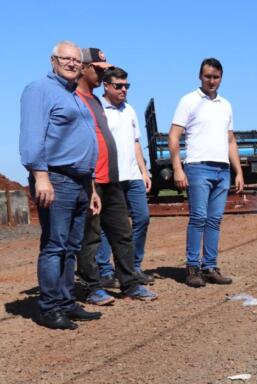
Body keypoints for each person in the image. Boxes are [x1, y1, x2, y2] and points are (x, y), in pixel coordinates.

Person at [19, 41, 102, 329]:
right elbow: (32, 137)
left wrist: (90, 187)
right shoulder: (39, 90)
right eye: (65, 58)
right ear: (53, 60)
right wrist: (41, 176)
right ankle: (50, 308)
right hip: (56, 177)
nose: (71, 63)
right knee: (55, 245)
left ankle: (66, 302)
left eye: (76, 60)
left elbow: (83, 145)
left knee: (71, 246)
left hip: (80, 181)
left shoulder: (74, 96)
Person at [75, 48, 156, 303]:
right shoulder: (75, 100)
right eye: (98, 69)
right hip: (93, 179)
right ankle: (91, 286)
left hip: (112, 179)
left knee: (122, 232)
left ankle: (130, 282)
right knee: (91, 235)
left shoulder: (96, 103)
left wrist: (143, 171)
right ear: (83, 68)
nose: (102, 73)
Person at [169, 57, 244, 288]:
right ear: (200, 76)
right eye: (208, 76)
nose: (212, 81)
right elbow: (173, 136)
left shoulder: (226, 105)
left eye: (216, 77)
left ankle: (209, 266)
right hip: (198, 167)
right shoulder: (189, 101)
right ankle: (193, 267)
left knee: (215, 220)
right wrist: (177, 168)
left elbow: (230, 140)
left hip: (222, 169)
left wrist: (238, 171)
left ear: (221, 78)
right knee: (199, 218)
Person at [95, 67, 153, 288]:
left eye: (126, 86)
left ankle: (133, 267)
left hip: (133, 175)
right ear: (106, 86)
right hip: (110, 176)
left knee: (142, 218)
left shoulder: (129, 110)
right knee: (105, 226)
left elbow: (136, 142)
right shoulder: (98, 109)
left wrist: (144, 171)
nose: (123, 90)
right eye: (119, 86)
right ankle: (106, 271)